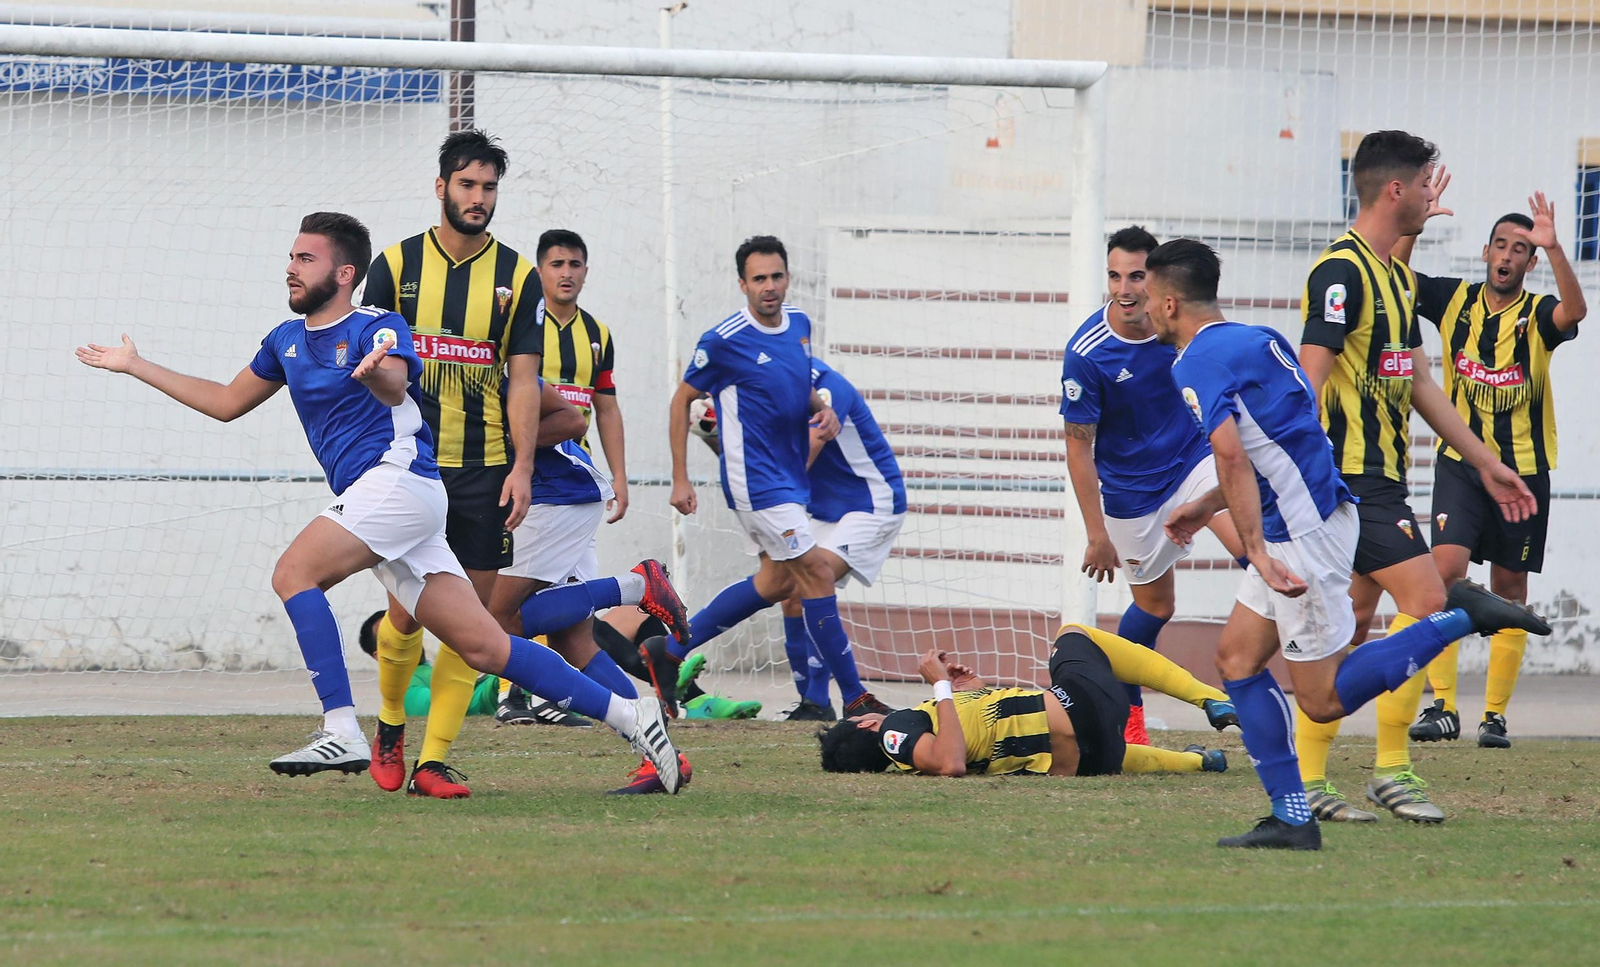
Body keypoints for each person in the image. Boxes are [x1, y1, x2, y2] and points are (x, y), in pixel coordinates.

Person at [75, 212, 686, 794]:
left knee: (293, 573)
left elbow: (395, 374)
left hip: (398, 481)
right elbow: (225, 402)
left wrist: (378, 373)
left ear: (343, 274)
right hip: (393, 501)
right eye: (291, 256)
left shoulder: (376, 325)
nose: (291, 267)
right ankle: (636, 719)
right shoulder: (285, 340)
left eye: (306, 258)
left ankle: (341, 730)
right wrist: (135, 365)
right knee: (485, 647)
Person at [1148, 236, 1549, 849]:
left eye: (1148, 297)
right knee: (1236, 660)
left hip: (1300, 534)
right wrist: (1206, 507)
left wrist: (1255, 549)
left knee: (1324, 699)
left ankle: (1459, 616)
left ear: (1170, 303)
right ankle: (1292, 818)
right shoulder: (1259, 339)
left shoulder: (1193, 362)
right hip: (1309, 516)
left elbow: (1231, 452)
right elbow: (1278, 437)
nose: (1143, 309)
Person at [1293, 131, 1538, 824]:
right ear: (1395, 190)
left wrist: (1486, 460)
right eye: (1428, 183)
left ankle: (1311, 781)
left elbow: (1422, 383)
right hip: (1347, 482)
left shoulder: (1397, 277)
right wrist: (1305, 484)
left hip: (1386, 481)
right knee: (1428, 598)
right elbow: (1306, 381)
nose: (1438, 195)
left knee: (1351, 631)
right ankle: (1391, 767)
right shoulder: (1338, 273)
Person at [359, 129, 548, 798]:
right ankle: (388, 724)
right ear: (442, 187)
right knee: (406, 613)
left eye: (489, 187)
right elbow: (363, 366)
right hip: (409, 464)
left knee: (475, 622)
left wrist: (523, 466)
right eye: (467, 185)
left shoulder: (519, 276)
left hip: (486, 467)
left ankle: (433, 760)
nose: (478, 198)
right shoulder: (394, 265)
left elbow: (525, 379)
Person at [646, 235, 892, 720]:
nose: (769, 287)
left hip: (788, 482)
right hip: (754, 484)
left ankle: (668, 652)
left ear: (787, 277)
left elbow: (797, 382)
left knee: (776, 581)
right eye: (759, 279)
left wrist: (821, 410)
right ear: (742, 284)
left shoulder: (799, 324)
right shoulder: (724, 340)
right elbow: (681, 402)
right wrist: (681, 478)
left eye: (777, 276)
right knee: (816, 576)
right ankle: (854, 695)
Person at [1395, 193, 1584, 750]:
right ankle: (1443, 705)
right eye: (1501, 244)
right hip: (1461, 465)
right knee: (1443, 572)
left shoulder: (1538, 314)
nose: (1507, 255)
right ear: (1485, 252)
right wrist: (1414, 224)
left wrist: (1557, 251)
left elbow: (1576, 312)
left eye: (1521, 249)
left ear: (1529, 263)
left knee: (1508, 589)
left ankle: (1494, 716)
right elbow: (1397, 276)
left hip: (1523, 473)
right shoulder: (1455, 299)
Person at [1060, 226, 1245, 744]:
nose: (1124, 288)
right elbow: (1079, 445)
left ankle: (1249, 668)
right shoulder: (1088, 351)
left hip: (1193, 461)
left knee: (1255, 547)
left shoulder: (1181, 326)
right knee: (1155, 609)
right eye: (1115, 275)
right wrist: (1096, 534)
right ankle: (1130, 720)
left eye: (1136, 275)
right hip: (1132, 495)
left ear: (1156, 279)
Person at [680, 358, 906, 722]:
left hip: (871, 504)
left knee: (800, 581)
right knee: (782, 587)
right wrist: (713, 436)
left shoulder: (825, 387)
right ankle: (812, 701)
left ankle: (830, 700)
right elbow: (747, 460)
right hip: (820, 507)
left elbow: (808, 447)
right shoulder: (761, 390)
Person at [490, 229, 635, 728]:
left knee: (504, 611)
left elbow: (604, 410)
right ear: (539, 272)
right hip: (539, 478)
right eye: (556, 264)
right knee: (571, 629)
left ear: (586, 272)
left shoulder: (597, 334)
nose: (566, 272)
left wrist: (620, 476)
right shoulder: (525, 328)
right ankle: (641, 714)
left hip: (566, 482)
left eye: (575, 263)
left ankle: (635, 586)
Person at [817, 625, 1237, 777]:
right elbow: (951, 763)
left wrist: (970, 687)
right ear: (866, 725)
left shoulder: (920, 726)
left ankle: (1200, 762)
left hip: (1086, 758)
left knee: (1121, 755)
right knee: (1075, 636)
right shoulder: (894, 733)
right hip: (1083, 709)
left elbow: (985, 734)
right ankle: (1211, 698)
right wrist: (940, 686)